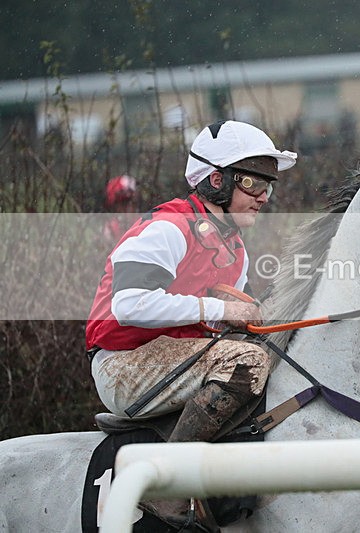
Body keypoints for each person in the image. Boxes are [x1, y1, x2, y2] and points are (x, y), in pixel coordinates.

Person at [85, 120, 297, 524]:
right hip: (123, 364)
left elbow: (223, 323)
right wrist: (219, 311)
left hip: (174, 360)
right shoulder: (167, 227)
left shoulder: (236, 248)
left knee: (267, 356)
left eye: (268, 186)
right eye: (253, 183)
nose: (264, 197)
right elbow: (128, 305)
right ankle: (170, 487)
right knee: (246, 363)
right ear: (217, 180)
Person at [102, 174, 139, 243]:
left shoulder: (142, 225)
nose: (129, 207)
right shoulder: (110, 229)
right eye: (124, 203)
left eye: (132, 202)